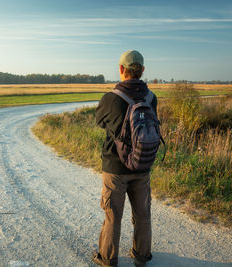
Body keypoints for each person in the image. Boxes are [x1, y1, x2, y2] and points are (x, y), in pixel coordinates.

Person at [92, 50, 157, 267]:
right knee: (142, 215)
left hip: (115, 169)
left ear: (121, 69)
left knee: (113, 216)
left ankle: (107, 259)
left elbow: (99, 122)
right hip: (142, 166)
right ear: (142, 71)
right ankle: (141, 257)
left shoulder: (111, 98)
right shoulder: (151, 98)